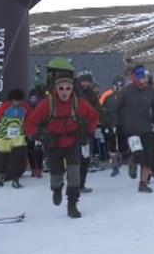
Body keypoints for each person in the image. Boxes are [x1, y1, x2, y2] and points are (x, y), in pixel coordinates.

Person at [25, 62, 99, 219]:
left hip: (72, 142)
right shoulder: (47, 104)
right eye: (61, 88)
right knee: (56, 174)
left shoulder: (79, 104)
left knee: (74, 174)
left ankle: (72, 205)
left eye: (68, 88)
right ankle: (56, 188)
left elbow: (93, 117)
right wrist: (39, 135)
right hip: (53, 144)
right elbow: (30, 123)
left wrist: (89, 133)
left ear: (72, 88)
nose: (64, 91)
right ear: (55, 89)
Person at [114, 65, 154, 193]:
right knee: (139, 153)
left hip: (147, 128)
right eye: (140, 77)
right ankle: (133, 160)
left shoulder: (151, 91)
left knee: (148, 157)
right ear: (134, 77)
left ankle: (143, 183)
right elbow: (117, 108)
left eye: (145, 76)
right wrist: (119, 124)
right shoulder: (126, 91)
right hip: (131, 128)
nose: (143, 80)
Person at [0, 88, 32, 188]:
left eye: (19, 101)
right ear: (10, 100)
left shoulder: (25, 107)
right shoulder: (4, 107)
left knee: (19, 158)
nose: (17, 103)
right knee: (5, 159)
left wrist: (29, 135)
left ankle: (15, 180)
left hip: (19, 137)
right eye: (14, 101)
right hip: (5, 137)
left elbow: (30, 121)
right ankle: (2, 176)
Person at [76, 71, 101, 193]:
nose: (85, 84)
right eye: (83, 81)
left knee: (85, 159)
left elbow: (97, 110)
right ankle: (72, 184)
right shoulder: (73, 93)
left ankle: (81, 184)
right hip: (73, 130)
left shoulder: (92, 95)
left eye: (88, 81)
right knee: (74, 159)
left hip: (86, 131)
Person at [99, 75, 125, 176]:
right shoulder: (107, 95)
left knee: (122, 143)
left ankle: (120, 160)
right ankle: (114, 164)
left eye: (121, 86)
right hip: (110, 123)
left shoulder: (125, 96)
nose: (118, 88)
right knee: (112, 144)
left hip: (122, 123)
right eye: (117, 85)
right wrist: (104, 121)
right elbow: (100, 108)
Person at [26, 87, 45, 178]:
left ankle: (39, 169)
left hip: (39, 131)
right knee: (29, 150)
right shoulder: (26, 106)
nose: (33, 100)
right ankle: (33, 168)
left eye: (35, 98)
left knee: (38, 150)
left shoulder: (41, 106)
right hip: (28, 131)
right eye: (32, 98)